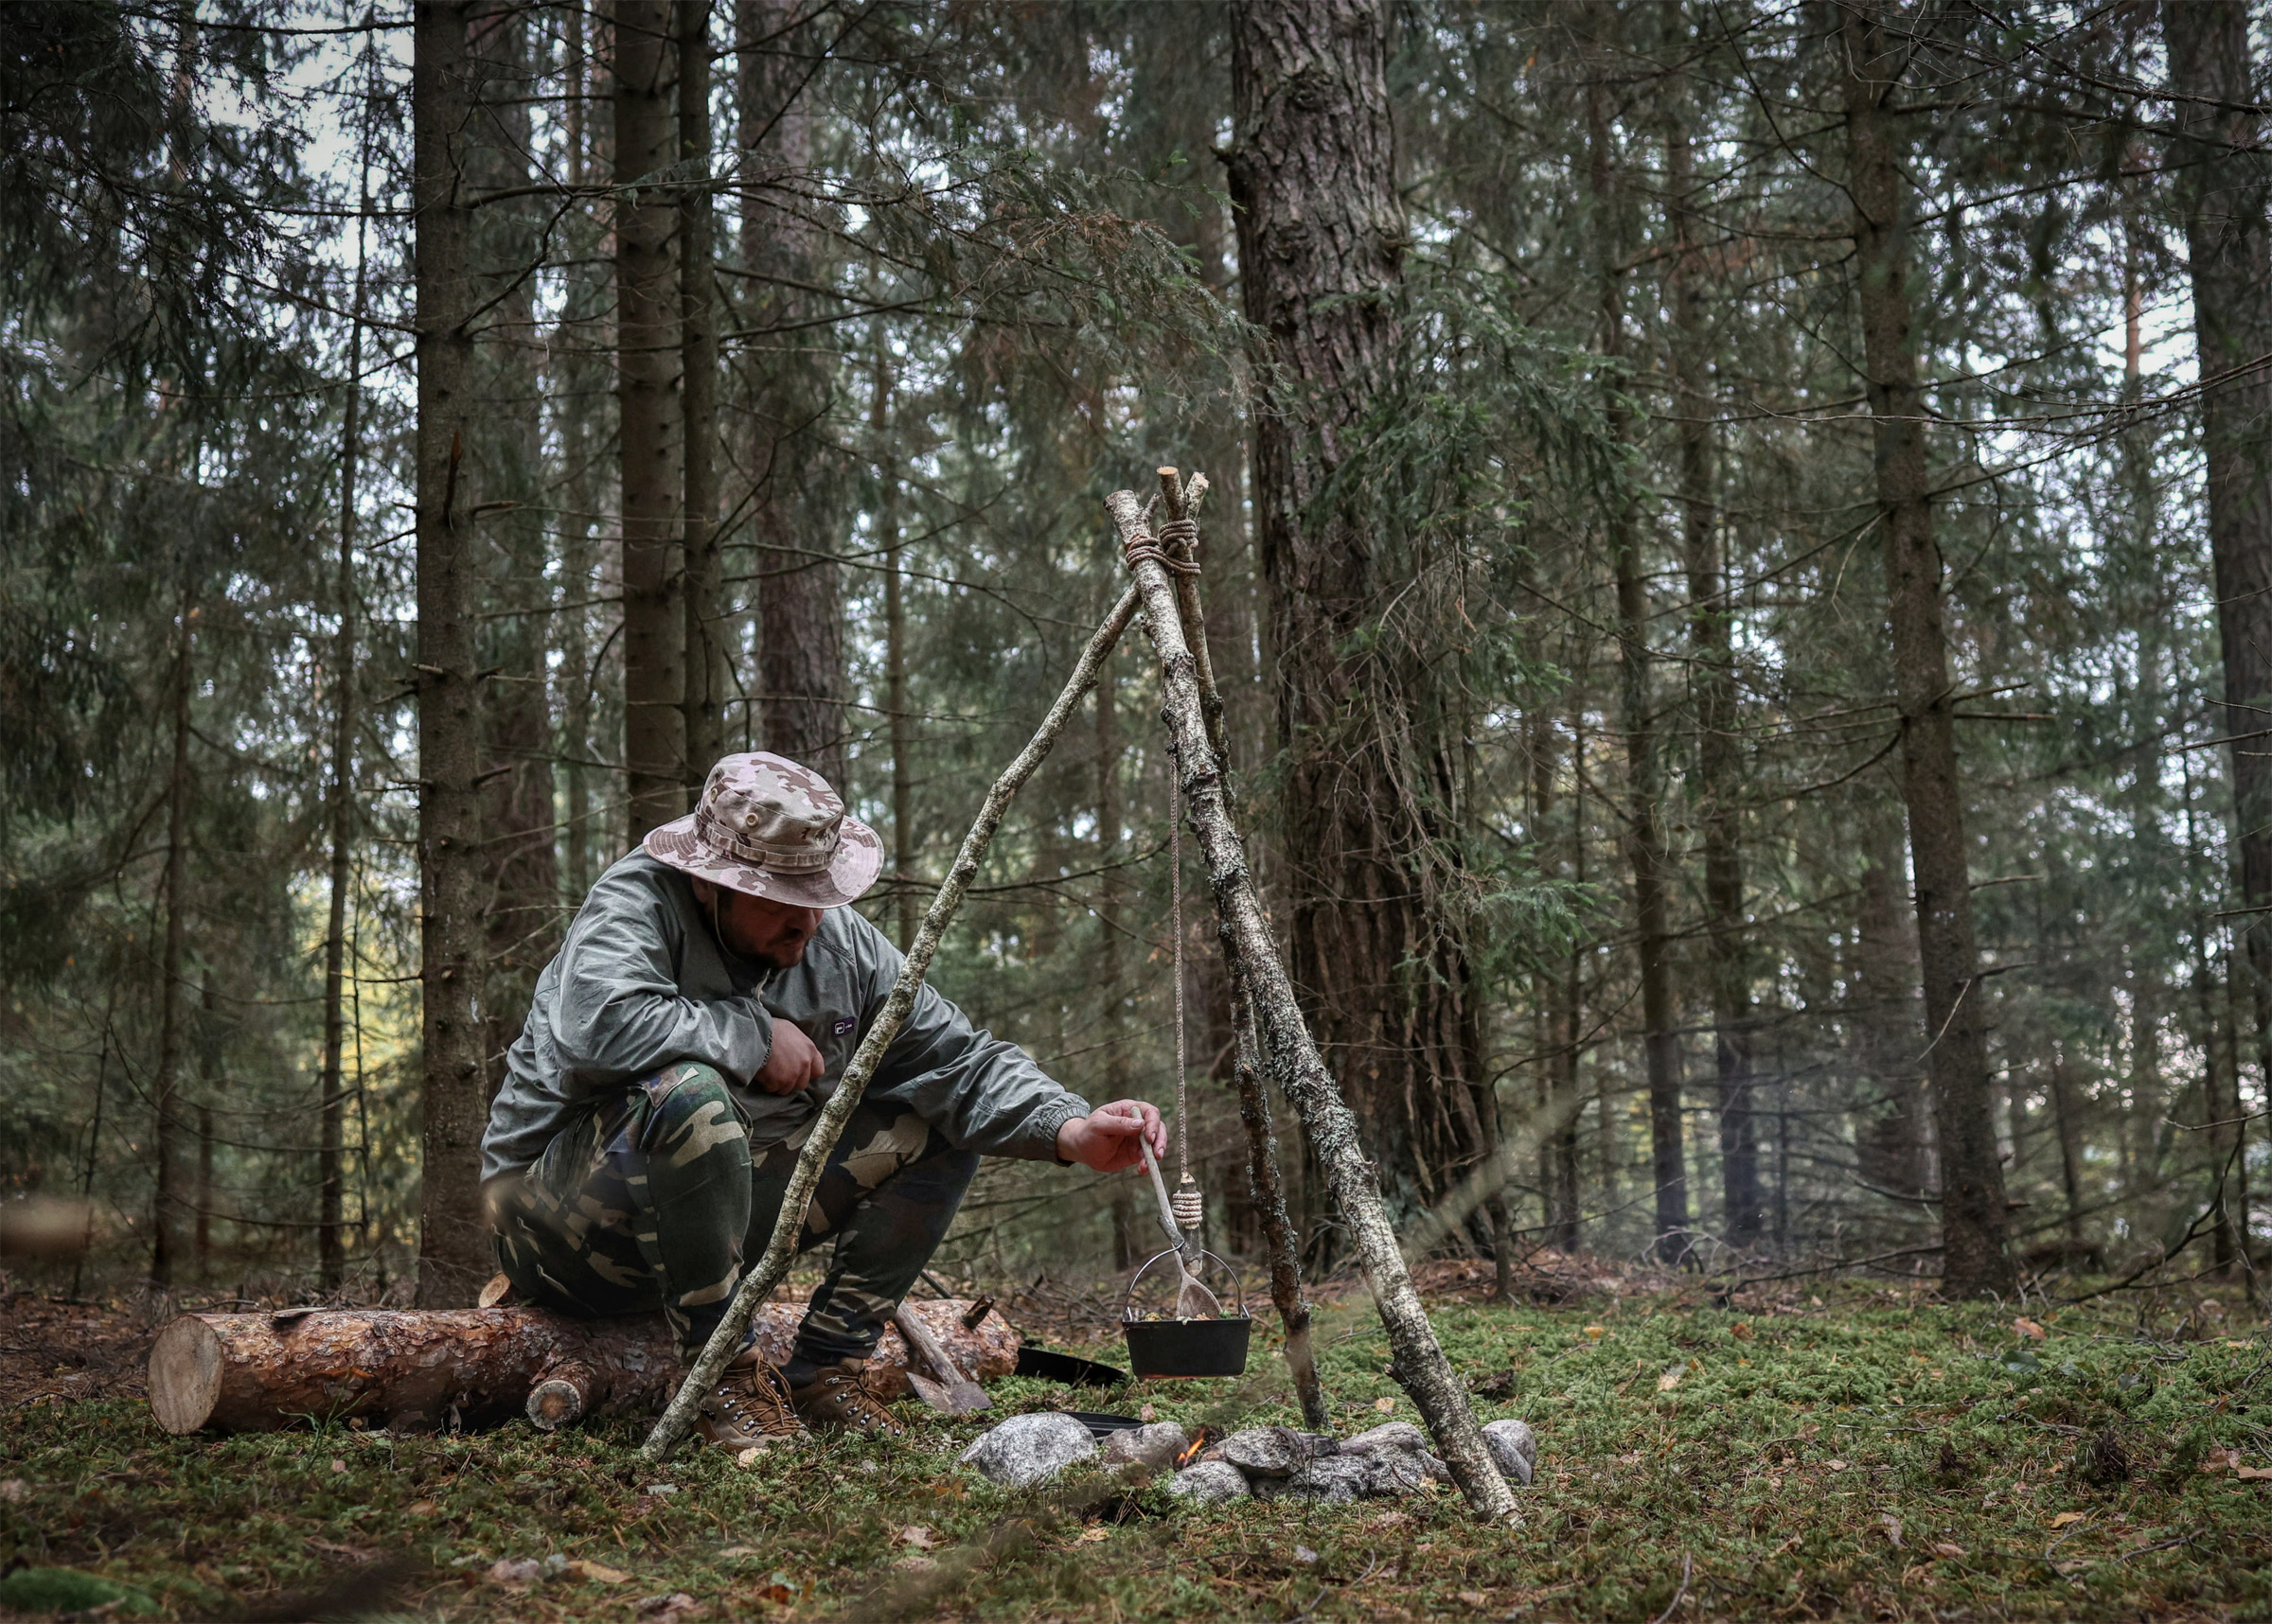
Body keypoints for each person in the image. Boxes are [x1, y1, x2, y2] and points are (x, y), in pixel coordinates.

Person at [480, 751, 1163, 1448]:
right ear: (710, 884)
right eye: (780, 899)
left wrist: (1069, 1126)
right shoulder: (635, 904)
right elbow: (600, 1026)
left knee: (937, 1116)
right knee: (692, 1096)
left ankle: (827, 1372)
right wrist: (751, 1036)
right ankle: (721, 1381)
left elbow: (959, 1060)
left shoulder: (838, 944)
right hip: (559, 1232)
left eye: (820, 896)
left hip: (717, 1228)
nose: (806, 925)